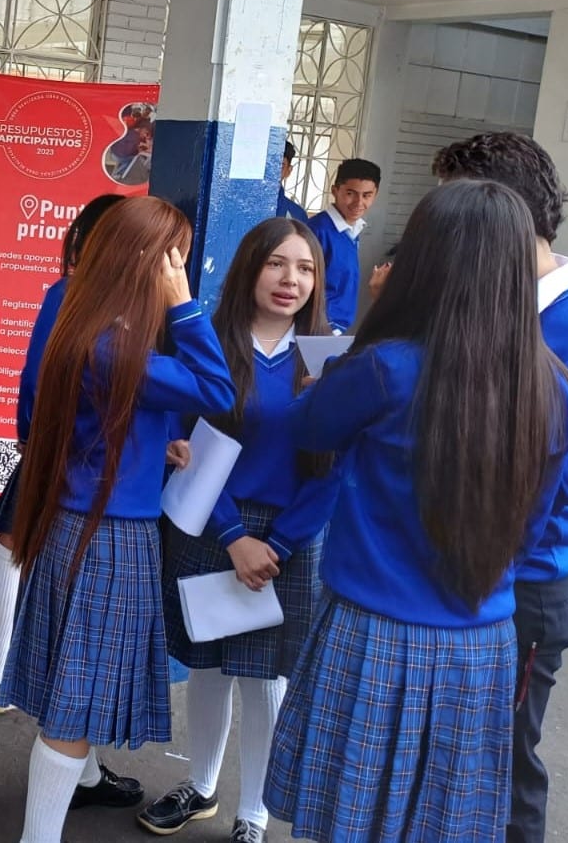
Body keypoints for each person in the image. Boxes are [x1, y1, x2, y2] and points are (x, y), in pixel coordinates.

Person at [264, 180, 568, 842]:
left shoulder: (384, 368)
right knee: (437, 824)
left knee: (346, 820)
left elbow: (307, 430)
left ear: (426, 264)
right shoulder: (553, 387)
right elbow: (530, 531)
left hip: (369, 632)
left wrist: (349, 352)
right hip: (479, 644)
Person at [431, 132, 568, 843]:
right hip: (448, 569)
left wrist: (467, 435)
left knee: (501, 767)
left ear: (503, 215)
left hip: (523, 590)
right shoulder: (483, 306)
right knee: (443, 759)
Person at [2, 198, 236, 843]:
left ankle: (69, 795)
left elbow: (102, 418)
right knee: (73, 705)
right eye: (174, 258)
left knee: (69, 690)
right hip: (106, 537)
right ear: (146, 261)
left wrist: (153, 439)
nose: (178, 268)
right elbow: (218, 392)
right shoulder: (115, 343)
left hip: (83, 525)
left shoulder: (91, 326)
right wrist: (185, 302)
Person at [139, 217, 330, 843]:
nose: (290, 279)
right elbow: (185, 445)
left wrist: (273, 544)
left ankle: (254, 814)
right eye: (277, 263)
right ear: (250, 266)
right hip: (212, 524)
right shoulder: (206, 343)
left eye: (304, 268)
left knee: (263, 678)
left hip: (289, 541)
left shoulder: (329, 357)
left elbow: (337, 471)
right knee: (209, 667)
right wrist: (231, 536)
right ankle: (200, 786)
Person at [0, 194, 124, 714]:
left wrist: (27, 433)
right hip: (117, 462)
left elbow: (36, 375)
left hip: (54, 445)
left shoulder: (70, 292)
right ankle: (43, 675)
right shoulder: (145, 306)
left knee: (13, 543)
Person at [306, 158, 380, 332]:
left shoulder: (352, 229)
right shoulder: (317, 231)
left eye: (367, 195)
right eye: (350, 193)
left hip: (337, 327)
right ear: (335, 190)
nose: (358, 202)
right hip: (318, 329)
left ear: (375, 194)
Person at [274, 141, 309, 223]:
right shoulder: (242, 205)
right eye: (268, 164)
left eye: (280, 166)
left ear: (288, 171)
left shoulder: (297, 215)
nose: (272, 171)